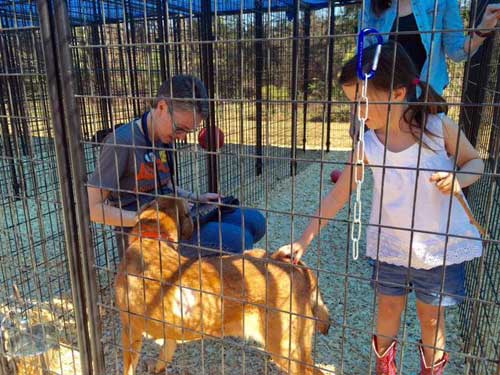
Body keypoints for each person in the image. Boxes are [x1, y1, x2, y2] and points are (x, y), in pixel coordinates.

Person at [277, 42, 483, 374]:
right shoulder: (369, 143)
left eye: (362, 102)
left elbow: (476, 162)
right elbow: (337, 195)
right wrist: (303, 240)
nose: (358, 112)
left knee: (431, 318)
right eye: (352, 104)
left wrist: (459, 179)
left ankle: (431, 369)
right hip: (392, 247)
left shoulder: (438, 127)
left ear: (399, 92)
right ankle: (384, 368)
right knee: (388, 309)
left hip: (438, 247)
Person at [87, 75, 266, 258]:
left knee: (255, 221)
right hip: (147, 233)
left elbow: (167, 186)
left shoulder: (164, 136)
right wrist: (147, 219)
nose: (182, 137)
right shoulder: (121, 142)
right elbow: (92, 208)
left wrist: (196, 198)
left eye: (189, 131)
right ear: (162, 108)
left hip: (177, 218)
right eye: (180, 129)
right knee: (238, 240)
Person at [359, 0, 500, 95]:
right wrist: (356, 112)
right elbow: (361, 62)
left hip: (426, 97)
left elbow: (457, 51)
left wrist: (483, 28)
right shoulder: (370, 5)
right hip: (383, 97)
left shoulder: (443, 2)